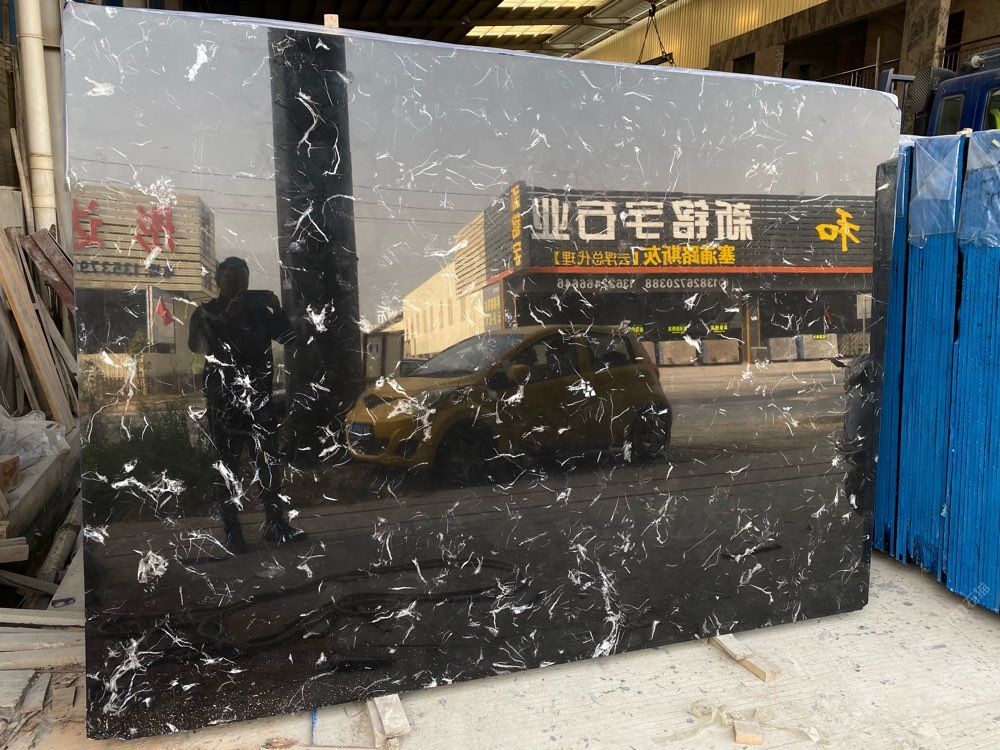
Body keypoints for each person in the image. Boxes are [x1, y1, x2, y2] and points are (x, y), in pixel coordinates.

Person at [188, 256, 306, 553]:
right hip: (224, 402)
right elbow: (199, 346)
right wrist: (227, 317)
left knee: (268, 463)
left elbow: (290, 339)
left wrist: (278, 310)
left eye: (243, 277)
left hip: (259, 400)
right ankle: (232, 532)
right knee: (228, 467)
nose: (238, 282)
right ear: (218, 279)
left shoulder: (259, 312)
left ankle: (275, 525)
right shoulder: (205, 312)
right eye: (231, 277)